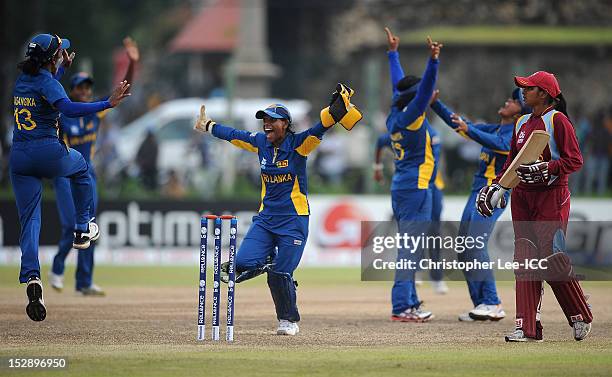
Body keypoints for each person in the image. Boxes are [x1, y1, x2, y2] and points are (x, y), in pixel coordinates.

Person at [194, 85, 362, 335]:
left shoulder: (299, 145)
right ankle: (268, 259)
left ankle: (288, 321)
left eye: (273, 120)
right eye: (265, 120)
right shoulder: (261, 142)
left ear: (286, 123)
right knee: (241, 263)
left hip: (294, 220)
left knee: (281, 274)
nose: (267, 124)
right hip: (265, 220)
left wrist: (333, 114)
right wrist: (208, 126)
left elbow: (320, 128)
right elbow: (235, 134)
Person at [11, 34, 130, 321]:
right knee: (82, 168)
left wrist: (61, 68)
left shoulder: (23, 81)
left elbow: (46, 90)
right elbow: (67, 108)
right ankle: (81, 228)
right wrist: (106, 104)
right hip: (46, 151)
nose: (63, 55)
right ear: (50, 58)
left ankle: (32, 278)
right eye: (59, 53)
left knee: (30, 221)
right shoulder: (47, 82)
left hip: (19, 158)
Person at [477, 71, 593, 342]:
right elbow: (511, 164)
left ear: (544, 93)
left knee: (552, 260)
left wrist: (548, 168)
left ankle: (580, 314)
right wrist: (498, 186)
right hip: (523, 197)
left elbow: (575, 161)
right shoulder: (521, 123)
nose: (523, 92)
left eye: (528, 88)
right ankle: (527, 328)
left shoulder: (558, 120)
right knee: (525, 260)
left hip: (551, 195)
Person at [49, 37, 139, 296]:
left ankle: (84, 282)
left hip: (87, 174)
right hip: (65, 175)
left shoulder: (95, 111)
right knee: (71, 226)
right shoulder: (63, 112)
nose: (86, 92)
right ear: (73, 91)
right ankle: (57, 267)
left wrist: (132, 62)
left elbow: (123, 90)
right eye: (80, 88)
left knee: (89, 228)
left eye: (88, 88)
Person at [431, 88, 530, 322]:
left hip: (494, 193)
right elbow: (460, 124)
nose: (507, 100)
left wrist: (470, 130)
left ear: (519, 113)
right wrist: (436, 104)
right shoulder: (495, 128)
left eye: (514, 101)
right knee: (464, 249)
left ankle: (493, 302)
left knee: (475, 245)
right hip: (477, 192)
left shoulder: (515, 134)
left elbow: (499, 144)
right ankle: (481, 305)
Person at [382, 27, 442, 322]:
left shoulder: (396, 113)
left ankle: (410, 301)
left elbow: (400, 85)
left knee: (411, 247)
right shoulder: (412, 115)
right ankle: (401, 306)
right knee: (410, 249)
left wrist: (393, 54)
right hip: (417, 190)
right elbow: (423, 89)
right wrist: (433, 61)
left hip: (402, 188)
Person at [374, 124, 448, 295]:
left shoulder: (432, 133)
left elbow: (434, 163)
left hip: (430, 186)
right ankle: (417, 271)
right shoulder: (403, 130)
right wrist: (377, 168)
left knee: (433, 231)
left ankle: (437, 277)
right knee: (414, 229)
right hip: (412, 184)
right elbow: (380, 140)